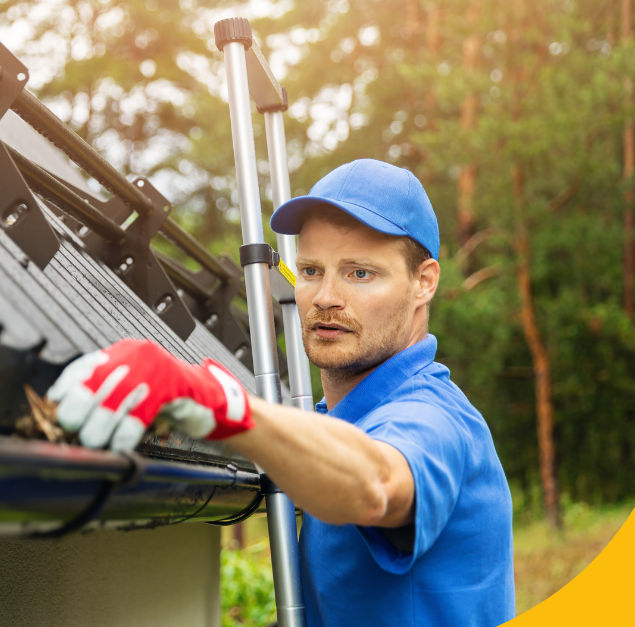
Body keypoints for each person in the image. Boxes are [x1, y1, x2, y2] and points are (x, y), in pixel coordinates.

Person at [47, 159, 515, 627]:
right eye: (311, 270)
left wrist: (226, 408)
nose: (326, 296)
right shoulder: (337, 421)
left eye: (359, 274)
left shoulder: (434, 418)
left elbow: (377, 484)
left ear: (424, 282)